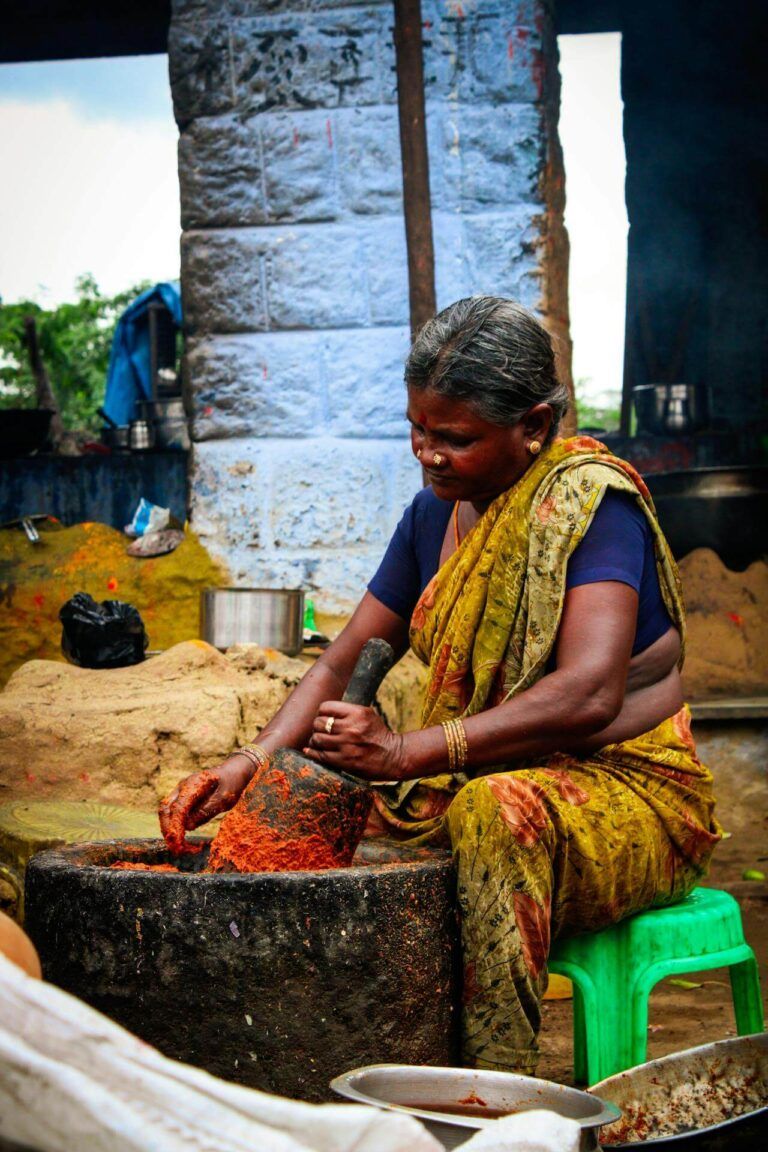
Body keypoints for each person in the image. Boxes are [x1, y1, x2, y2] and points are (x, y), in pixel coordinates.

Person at [161, 297, 720, 1074]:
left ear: (534, 424)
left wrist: (404, 754)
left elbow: (589, 693)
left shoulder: (592, 508)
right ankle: (336, 1070)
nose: (428, 454)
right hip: (474, 780)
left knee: (493, 811)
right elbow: (341, 660)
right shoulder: (432, 517)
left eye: (455, 438)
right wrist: (249, 764)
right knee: (312, 825)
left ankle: (490, 1092)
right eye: (417, 430)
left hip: (627, 794)